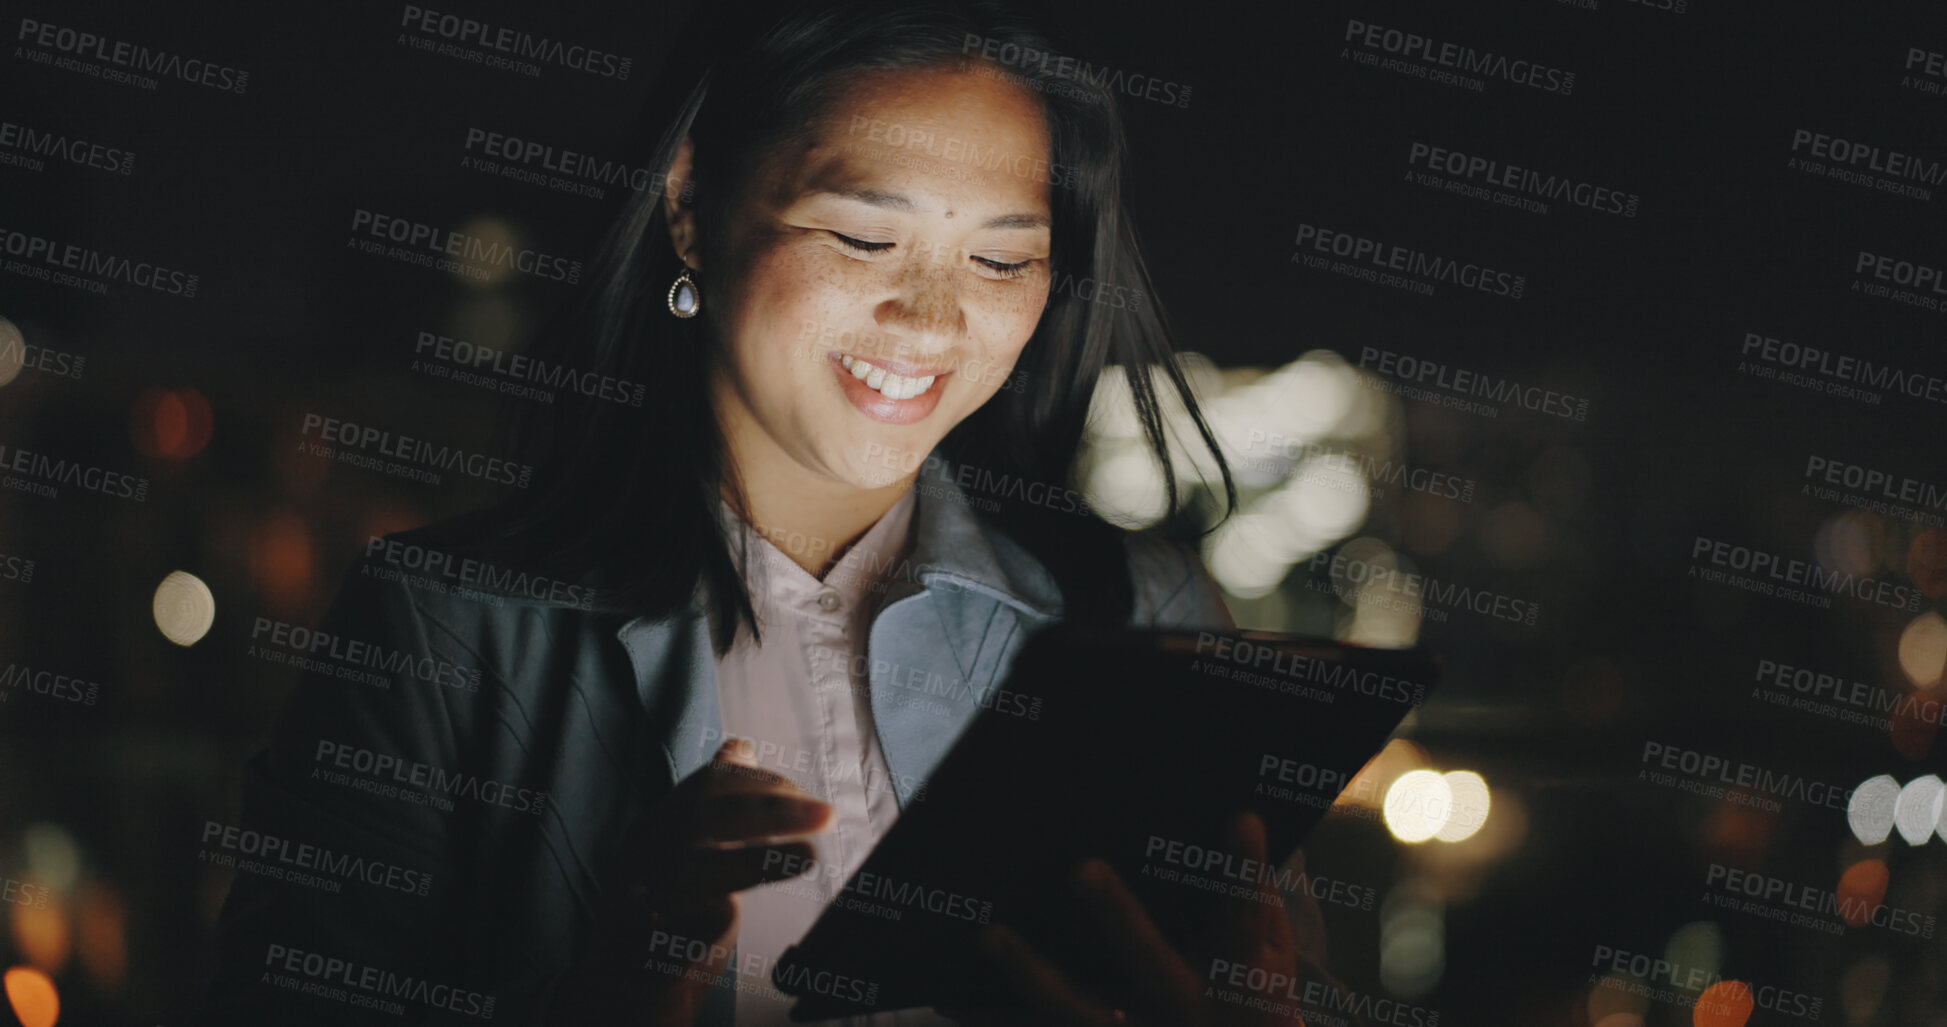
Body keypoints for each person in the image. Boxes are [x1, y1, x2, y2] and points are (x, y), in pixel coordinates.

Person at [205, 1, 1340, 1023]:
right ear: (692, 205)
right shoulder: (449, 631)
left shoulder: (1140, 612)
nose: (931, 319)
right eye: (861, 237)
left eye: (1001, 260)